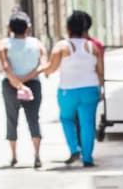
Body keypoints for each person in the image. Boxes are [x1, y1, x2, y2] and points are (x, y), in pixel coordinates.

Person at [44, 11, 104, 167]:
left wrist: (42, 70)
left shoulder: (62, 46)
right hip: (90, 89)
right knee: (88, 123)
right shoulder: (93, 47)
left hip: (68, 90)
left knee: (66, 119)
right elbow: (100, 72)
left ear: (68, 28)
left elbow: (51, 68)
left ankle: (74, 148)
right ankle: (88, 158)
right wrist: (101, 89)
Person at [0, 10, 47, 168]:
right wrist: (26, 80)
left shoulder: (4, 44)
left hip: (11, 85)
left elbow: (6, 66)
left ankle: (13, 156)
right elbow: (43, 65)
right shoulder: (37, 43)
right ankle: (37, 155)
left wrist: (18, 83)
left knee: (11, 119)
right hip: (33, 84)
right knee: (33, 118)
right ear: (28, 26)